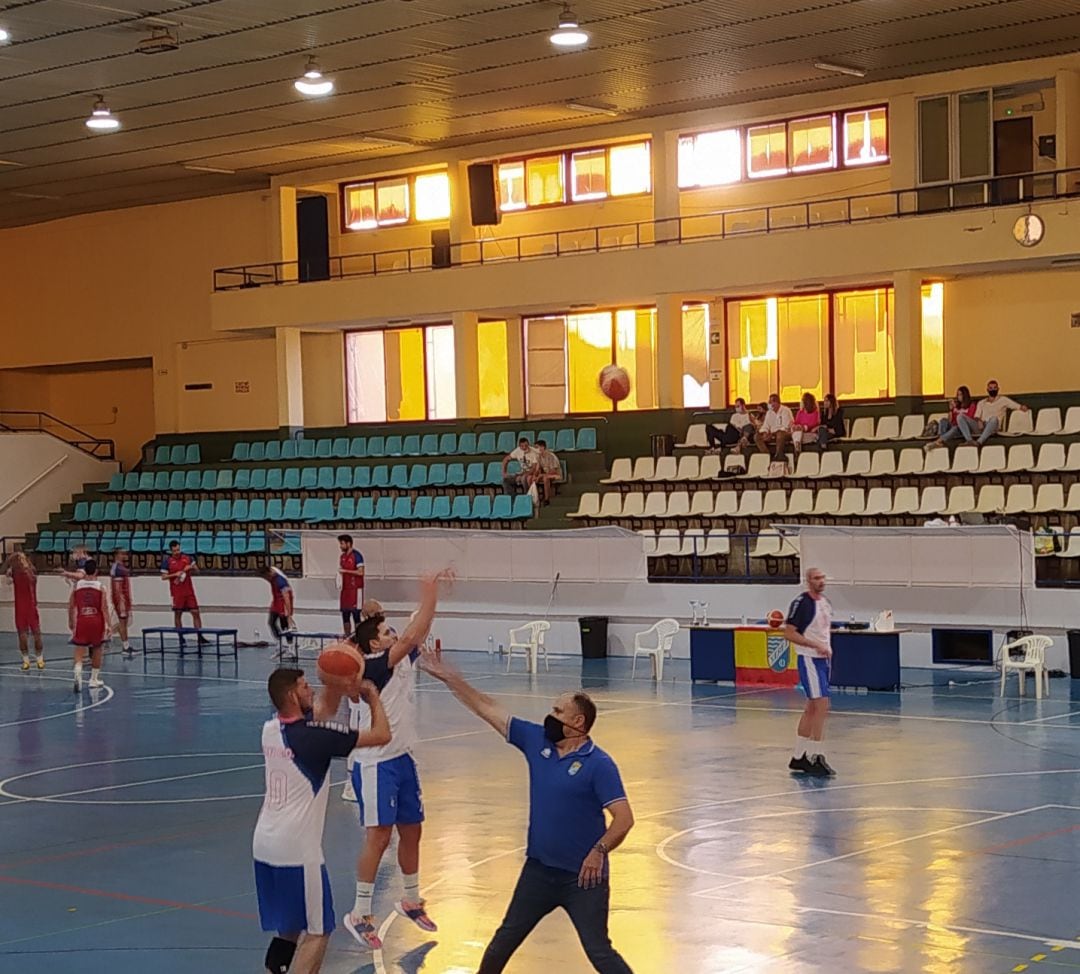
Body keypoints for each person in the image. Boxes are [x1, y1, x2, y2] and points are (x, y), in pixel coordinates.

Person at [420, 647, 636, 974]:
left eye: (558, 711)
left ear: (578, 722)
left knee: (599, 951)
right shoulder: (538, 742)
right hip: (539, 871)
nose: (550, 716)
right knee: (503, 941)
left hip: (583, 878)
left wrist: (599, 851)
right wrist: (451, 677)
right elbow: (487, 707)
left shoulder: (600, 764)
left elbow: (624, 818)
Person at [253, 666, 390, 974]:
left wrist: (334, 682)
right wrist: (373, 698)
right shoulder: (315, 738)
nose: (311, 690)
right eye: (304, 687)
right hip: (297, 851)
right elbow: (382, 734)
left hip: (264, 843)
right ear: (291, 694)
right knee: (318, 930)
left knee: (288, 929)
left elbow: (320, 712)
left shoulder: (271, 729)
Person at [341, 572, 448, 950]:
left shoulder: (399, 657)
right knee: (379, 836)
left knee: (413, 829)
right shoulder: (374, 667)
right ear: (374, 642)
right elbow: (410, 637)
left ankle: (411, 900)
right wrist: (430, 595)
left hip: (401, 757)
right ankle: (360, 913)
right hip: (375, 762)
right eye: (386, 632)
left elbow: (417, 631)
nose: (393, 634)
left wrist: (429, 607)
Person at [784, 567, 835, 778]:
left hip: (823, 660)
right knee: (822, 705)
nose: (821, 581)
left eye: (823, 577)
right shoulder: (801, 603)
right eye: (816, 578)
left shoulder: (824, 603)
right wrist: (813, 645)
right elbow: (789, 633)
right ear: (808, 581)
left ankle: (799, 756)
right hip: (809, 659)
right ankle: (816, 755)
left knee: (812, 708)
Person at [68, 559, 113, 693]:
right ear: (96, 571)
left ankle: (77, 669)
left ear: (84, 571)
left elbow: (71, 605)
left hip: (82, 619)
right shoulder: (100, 587)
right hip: (96, 620)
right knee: (98, 648)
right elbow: (104, 608)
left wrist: (70, 620)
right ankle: (94, 679)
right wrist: (109, 624)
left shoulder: (77, 586)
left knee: (79, 647)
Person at [957, 379, 1029, 445]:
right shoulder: (981, 402)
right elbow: (976, 416)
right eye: (991, 388)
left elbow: (1016, 406)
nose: (993, 390)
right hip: (981, 426)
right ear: (987, 389)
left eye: (995, 388)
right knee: (960, 416)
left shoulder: (1003, 400)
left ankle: (979, 442)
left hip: (994, 426)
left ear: (998, 389)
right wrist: (979, 421)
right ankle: (969, 440)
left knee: (994, 419)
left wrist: (1022, 407)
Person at [160, 540, 206, 641]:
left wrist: (192, 567)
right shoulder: (167, 562)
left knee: (195, 612)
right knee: (178, 613)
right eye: (175, 551)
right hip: (176, 592)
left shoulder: (187, 558)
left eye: (178, 550)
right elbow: (163, 577)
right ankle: (180, 637)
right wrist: (175, 574)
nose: (177, 552)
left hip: (189, 591)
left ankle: (200, 636)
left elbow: (198, 571)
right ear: (171, 551)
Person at [5, 552, 44, 670]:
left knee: (35, 634)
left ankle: (35, 659)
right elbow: (8, 579)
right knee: (25, 634)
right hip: (24, 607)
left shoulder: (27, 571)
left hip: (28, 607)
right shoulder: (18, 572)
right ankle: (30, 660)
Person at [925, 386, 976, 451]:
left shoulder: (971, 405)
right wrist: (951, 410)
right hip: (953, 426)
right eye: (958, 395)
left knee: (955, 428)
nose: (959, 397)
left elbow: (969, 417)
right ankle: (940, 440)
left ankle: (938, 441)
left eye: (960, 394)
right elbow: (951, 420)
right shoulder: (957, 406)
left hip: (962, 428)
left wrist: (957, 413)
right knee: (943, 420)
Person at [258, 564, 296, 642]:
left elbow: (287, 598)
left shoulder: (280, 580)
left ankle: (290, 646)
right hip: (276, 602)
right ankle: (279, 644)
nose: (266, 579)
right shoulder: (272, 574)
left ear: (269, 573)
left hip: (283, 603)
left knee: (285, 626)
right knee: (271, 622)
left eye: (266, 577)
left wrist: (289, 615)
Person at [337, 535, 365, 637]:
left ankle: (359, 638)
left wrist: (346, 571)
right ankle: (347, 637)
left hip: (355, 590)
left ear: (348, 544)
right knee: (345, 614)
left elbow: (361, 572)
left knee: (356, 615)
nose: (340, 546)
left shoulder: (357, 556)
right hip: (345, 590)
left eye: (342, 543)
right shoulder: (342, 557)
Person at [110, 547, 134, 657]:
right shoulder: (117, 568)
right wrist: (121, 601)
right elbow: (117, 588)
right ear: (116, 555)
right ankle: (125, 647)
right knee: (122, 622)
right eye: (122, 554)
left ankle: (125, 645)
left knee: (123, 623)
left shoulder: (120, 567)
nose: (124, 556)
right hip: (121, 599)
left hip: (124, 598)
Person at [754, 393, 794, 461]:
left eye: (771, 402)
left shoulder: (785, 410)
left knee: (780, 434)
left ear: (776, 402)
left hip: (785, 434)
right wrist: (765, 432)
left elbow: (786, 427)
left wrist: (772, 433)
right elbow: (766, 425)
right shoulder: (769, 413)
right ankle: (767, 456)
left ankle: (779, 455)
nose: (769, 404)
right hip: (772, 434)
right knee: (757, 436)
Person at [533, 439, 563, 504]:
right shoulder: (538, 457)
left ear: (542, 447)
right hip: (546, 474)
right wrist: (535, 475)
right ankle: (535, 498)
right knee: (532, 478)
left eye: (536, 447)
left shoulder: (551, 456)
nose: (535, 450)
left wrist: (541, 475)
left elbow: (553, 471)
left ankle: (547, 499)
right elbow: (537, 469)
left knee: (545, 478)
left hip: (556, 474)